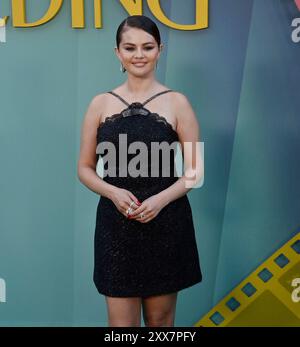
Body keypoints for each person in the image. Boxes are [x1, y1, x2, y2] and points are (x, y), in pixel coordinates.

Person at [77, 15, 203, 327]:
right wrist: (112, 191)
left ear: (159, 50)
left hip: (167, 225)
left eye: (147, 47)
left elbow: (196, 171)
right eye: (130, 47)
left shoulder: (179, 103)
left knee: (161, 323)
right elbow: (84, 168)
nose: (139, 54)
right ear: (117, 53)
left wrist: (160, 201)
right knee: (122, 328)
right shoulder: (99, 104)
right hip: (115, 226)